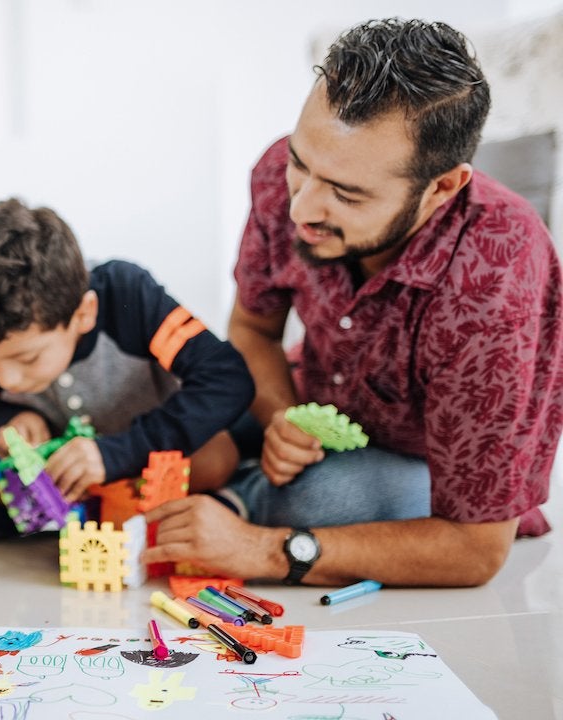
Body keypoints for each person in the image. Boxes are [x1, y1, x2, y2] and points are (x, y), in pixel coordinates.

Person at [143, 19, 562, 588]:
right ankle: (234, 489)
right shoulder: (279, 176)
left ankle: (236, 503)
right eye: (301, 165)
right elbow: (252, 330)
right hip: (314, 397)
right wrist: (282, 419)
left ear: (442, 188)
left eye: (346, 193)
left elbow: (477, 549)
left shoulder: (496, 269)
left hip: (426, 465)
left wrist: (264, 550)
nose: (300, 209)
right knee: (162, 399)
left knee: (318, 501)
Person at [0, 198, 255, 540]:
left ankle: (107, 514)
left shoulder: (128, 296)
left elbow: (227, 378)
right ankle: (39, 509)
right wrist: (8, 418)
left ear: (84, 314)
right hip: (55, 473)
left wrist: (118, 453)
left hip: (140, 464)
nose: (7, 378)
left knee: (217, 454)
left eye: (29, 359)